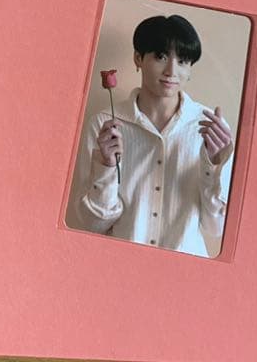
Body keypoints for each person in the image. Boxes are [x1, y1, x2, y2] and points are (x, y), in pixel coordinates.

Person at [69, 14, 234, 258]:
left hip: (185, 270)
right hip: (122, 266)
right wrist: (106, 167)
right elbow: (92, 225)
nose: (171, 71)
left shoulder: (210, 129)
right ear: (138, 58)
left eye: (183, 61)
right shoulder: (105, 125)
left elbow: (216, 227)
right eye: (160, 56)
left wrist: (214, 165)